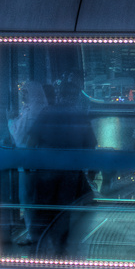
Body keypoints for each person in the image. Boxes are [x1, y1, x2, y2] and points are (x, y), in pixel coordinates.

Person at [26, 79, 96, 255]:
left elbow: (31, 141)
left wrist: (28, 164)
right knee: (64, 209)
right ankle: (60, 247)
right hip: (70, 171)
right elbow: (90, 146)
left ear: (59, 94)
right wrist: (92, 169)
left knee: (42, 206)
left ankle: (38, 244)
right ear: (74, 96)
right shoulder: (80, 115)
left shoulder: (46, 112)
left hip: (45, 168)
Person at [8, 81, 48, 147]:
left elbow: (19, 135)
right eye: (22, 91)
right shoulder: (29, 108)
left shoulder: (32, 111)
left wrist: (10, 120)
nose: (22, 94)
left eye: (26, 92)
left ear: (34, 93)